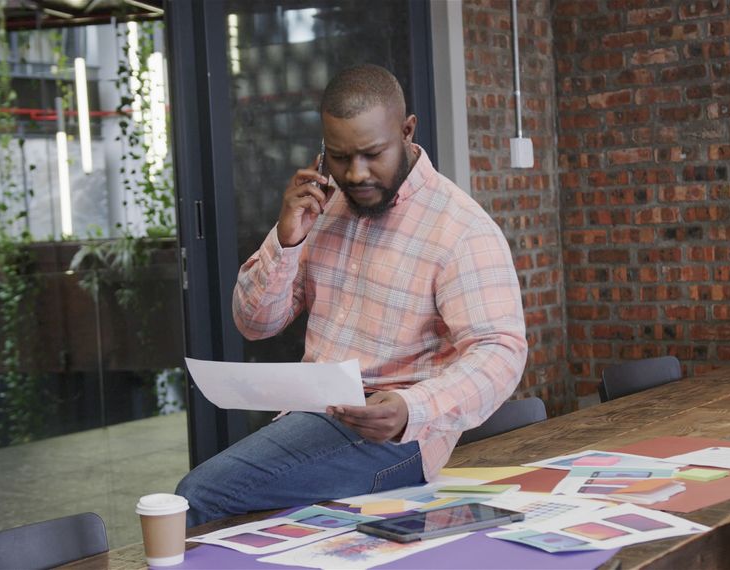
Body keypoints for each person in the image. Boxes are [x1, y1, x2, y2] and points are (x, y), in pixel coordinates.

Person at [176, 64, 528, 527]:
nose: (356, 173)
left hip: (396, 438)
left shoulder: (460, 228)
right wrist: (287, 242)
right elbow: (255, 323)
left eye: (371, 154)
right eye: (339, 157)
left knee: (197, 496)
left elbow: (500, 352)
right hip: (309, 417)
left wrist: (411, 408)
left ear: (407, 130)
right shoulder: (320, 209)